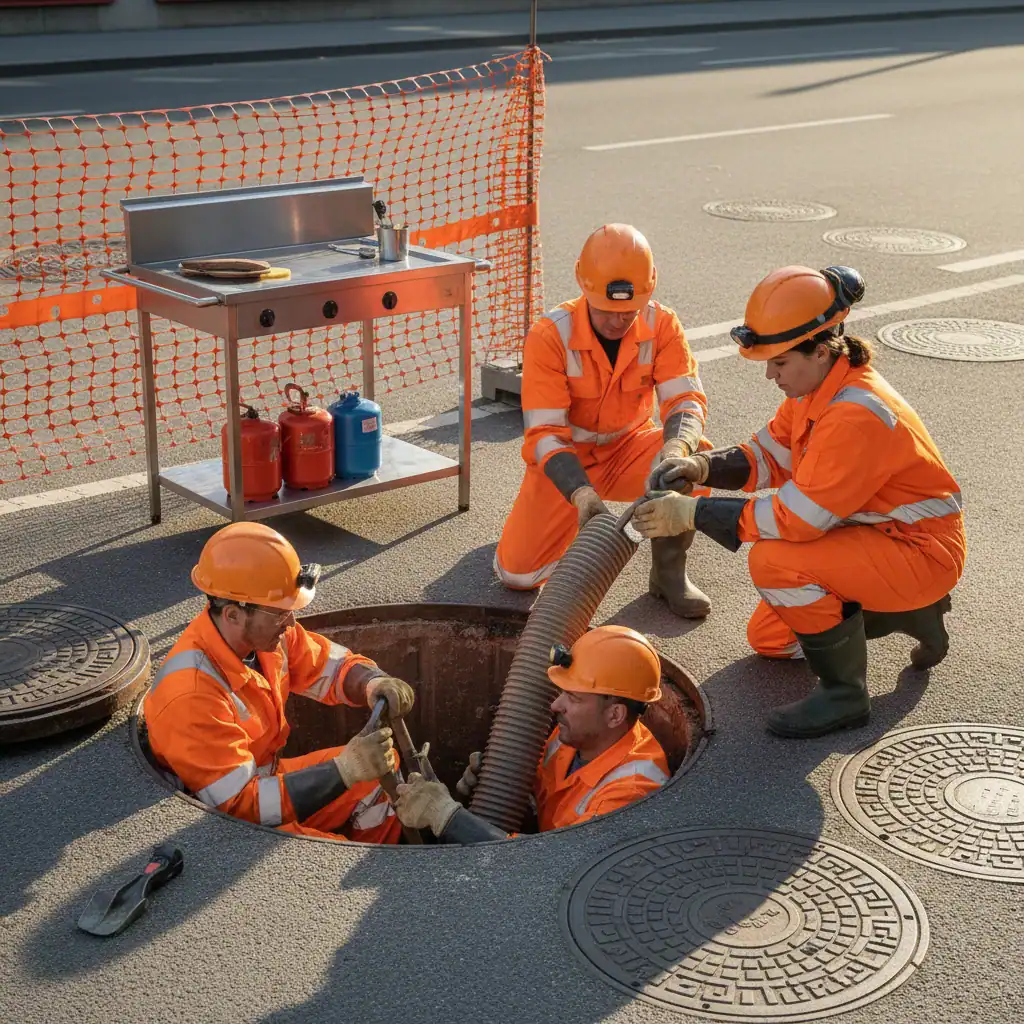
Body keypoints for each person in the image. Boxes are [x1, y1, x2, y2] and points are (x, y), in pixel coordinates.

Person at [632, 264, 965, 739]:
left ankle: (845, 695)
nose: (770, 374)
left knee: (774, 563)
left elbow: (799, 518)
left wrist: (693, 512)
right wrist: (703, 467)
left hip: (919, 553)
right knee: (770, 640)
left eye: (780, 362)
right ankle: (910, 612)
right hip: (875, 538)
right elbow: (769, 455)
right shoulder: (817, 389)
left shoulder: (855, 415)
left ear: (821, 349)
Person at [144, 522, 416, 842]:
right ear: (233, 614)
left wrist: (372, 683)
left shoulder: (267, 636)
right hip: (222, 827)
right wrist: (342, 771)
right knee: (338, 852)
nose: (291, 622)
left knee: (378, 773)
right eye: (279, 614)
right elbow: (240, 805)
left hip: (263, 784)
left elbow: (330, 667)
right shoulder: (192, 694)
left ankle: (378, 860)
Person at [494, 223, 713, 619]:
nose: (619, 321)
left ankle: (668, 575)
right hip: (568, 462)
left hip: (630, 450)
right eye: (608, 310)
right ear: (584, 287)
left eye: (629, 311)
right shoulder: (550, 336)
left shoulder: (662, 324)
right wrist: (579, 493)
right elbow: (545, 435)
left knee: (692, 465)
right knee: (518, 576)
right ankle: (551, 526)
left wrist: (676, 447)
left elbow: (686, 400)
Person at [392, 625, 670, 843]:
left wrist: (448, 817)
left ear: (615, 715)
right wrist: (490, 786)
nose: (555, 705)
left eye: (573, 698)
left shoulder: (631, 792)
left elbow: (548, 868)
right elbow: (539, 799)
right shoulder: (578, 736)